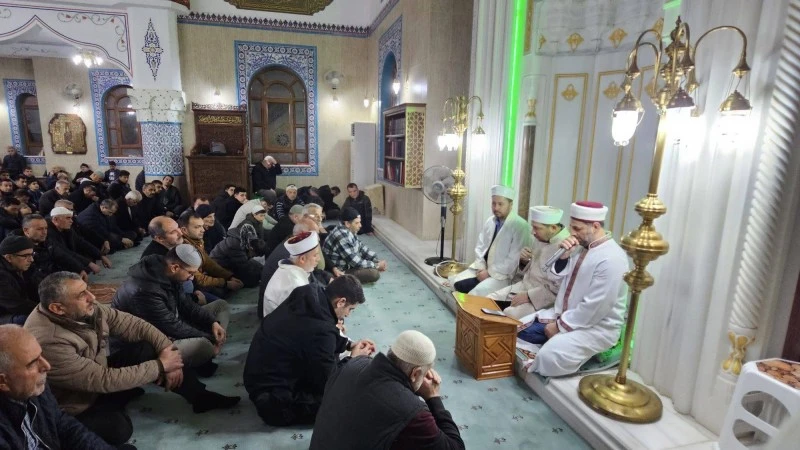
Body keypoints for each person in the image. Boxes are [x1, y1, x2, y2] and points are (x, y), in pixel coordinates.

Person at [24, 272, 239, 445]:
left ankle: (200, 397)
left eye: (87, 289)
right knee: (119, 429)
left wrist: (167, 352)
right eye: (82, 294)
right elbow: (101, 380)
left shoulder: (84, 309)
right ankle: (119, 396)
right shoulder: (47, 341)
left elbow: (134, 325)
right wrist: (160, 366)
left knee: (148, 347)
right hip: (75, 403)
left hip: (98, 374)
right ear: (57, 308)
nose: (93, 297)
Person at [244, 275, 374, 427]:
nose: (348, 315)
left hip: (260, 380)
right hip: (274, 402)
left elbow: (313, 335)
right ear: (341, 302)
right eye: (350, 309)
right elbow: (329, 383)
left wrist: (349, 344)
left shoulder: (308, 295)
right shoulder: (321, 330)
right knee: (347, 396)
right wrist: (352, 359)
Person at [518, 201, 628, 377]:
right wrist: (563, 257)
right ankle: (560, 343)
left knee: (548, 358)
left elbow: (595, 307)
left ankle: (594, 353)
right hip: (566, 314)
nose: (572, 233)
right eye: (571, 227)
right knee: (519, 331)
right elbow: (556, 279)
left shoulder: (612, 258)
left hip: (596, 327)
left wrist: (558, 327)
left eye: (577, 228)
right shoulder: (581, 248)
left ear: (595, 226)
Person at [310, 330, 465, 450]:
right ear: (415, 373)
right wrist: (433, 397)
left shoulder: (350, 364)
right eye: (424, 373)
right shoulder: (412, 412)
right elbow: (455, 447)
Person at [113, 245, 231, 372]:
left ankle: (207, 353)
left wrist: (212, 322)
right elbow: (172, 327)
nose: (192, 278)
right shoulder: (145, 290)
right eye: (190, 273)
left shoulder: (168, 271)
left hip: (170, 323)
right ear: (175, 268)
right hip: (144, 346)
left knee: (220, 306)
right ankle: (203, 355)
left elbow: (187, 306)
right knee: (203, 346)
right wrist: (210, 338)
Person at [0, 325, 119, 449]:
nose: (47, 366)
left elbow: (61, 423)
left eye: (41, 355)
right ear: (3, 381)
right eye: (32, 364)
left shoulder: (32, 386)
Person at [486, 206, 570, 319]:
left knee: (510, 314)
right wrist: (524, 260)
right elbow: (531, 269)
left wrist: (529, 296)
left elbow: (558, 289)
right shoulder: (542, 236)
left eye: (536, 228)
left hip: (542, 299)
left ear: (553, 228)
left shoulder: (566, 248)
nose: (532, 232)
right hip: (524, 286)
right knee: (488, 301)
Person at [450, 185, 531, 296]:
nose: (496, 208)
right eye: (493, 203)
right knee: (454, 282)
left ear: (511, 205)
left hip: (503, 276)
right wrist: (481, 267)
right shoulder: (490, 221)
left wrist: (489, 273)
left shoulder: (520, 226)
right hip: (483, 269)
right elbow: (480, 247)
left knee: (475, 293)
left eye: (500, 204)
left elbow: (513, 260)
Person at [179, 212, 243, 297]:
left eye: (202, 226)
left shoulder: (196, 241)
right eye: (197, 227)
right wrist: (225, 283)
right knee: (220, 292)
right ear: (184, 230)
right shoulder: (184, 248)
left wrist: (229, 276)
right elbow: (197, 278)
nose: (203, 230)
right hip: (193, 284)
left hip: (200, 278)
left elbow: (208, 263)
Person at [323, 207, 386, 283]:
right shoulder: (341, 237)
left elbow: (361, 247)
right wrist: (376, 265)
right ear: (347, 224)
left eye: (360, 222)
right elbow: (355, 262)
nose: (360, 225)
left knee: (370, 266)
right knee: (374, 274)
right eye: (357, 223)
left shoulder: (349, 230)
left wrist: (375, 259)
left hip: (349, 265)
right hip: (340, 272)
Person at [263, 231, 320, 316]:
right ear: (302, 259)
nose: (318, 259)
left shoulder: (288, 267)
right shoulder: (296, 285)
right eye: (315, 255)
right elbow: (304, 317)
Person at [209, 221, 266, 287]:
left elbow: (247, 261)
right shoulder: (236, 245)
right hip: (218, 264)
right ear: (251, 248)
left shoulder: (250, 240)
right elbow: (244, 266)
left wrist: (263, 269)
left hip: (229, 261)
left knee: (258, 268)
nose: (253, 256)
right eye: (254, 255)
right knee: (251, 279)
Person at [0, 236, 38, 325]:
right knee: (29, 319)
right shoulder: (1, 276)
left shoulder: (23, 267)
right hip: (4, 314)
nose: (31, 259)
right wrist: (45, 309)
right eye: (25, 256)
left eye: (32, 254)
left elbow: (38, 287)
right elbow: (16, 305)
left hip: (17, 308)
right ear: (9, 257)